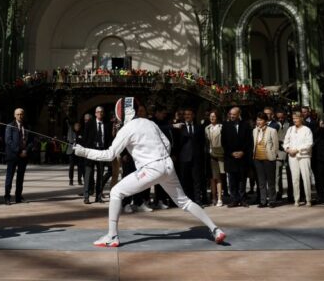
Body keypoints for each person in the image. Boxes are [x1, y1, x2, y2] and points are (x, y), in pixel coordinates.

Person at [72, 97, 225, 247]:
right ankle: (215, 229)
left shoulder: (127, 129)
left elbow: (109, 154)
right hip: (167, 166)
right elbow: (166, 143)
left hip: (152, 169)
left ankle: (112, 236)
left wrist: (83, 151)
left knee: (116, 192)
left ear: (123, 113)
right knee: (184, 201)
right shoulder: (149, 123)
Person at [222, 107, 251, 207]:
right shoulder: (225, 125)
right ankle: (234, 199)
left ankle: (243, 199)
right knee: (232, 179)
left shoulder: (246, 125)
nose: (232, 116)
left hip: (243, 157)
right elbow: (223, 142)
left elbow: (249, 141)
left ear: (239, 114)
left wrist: (242, 152)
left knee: (242, 179)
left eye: (234, 114)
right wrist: (231, 153)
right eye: (231, 114)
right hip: (231, 157)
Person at [284, 111, 313, 207]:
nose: (295, 120)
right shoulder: (290, 129)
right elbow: (285, 142)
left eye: (296, 118)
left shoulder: (306, 130)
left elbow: (309, 144)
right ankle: (296, 199)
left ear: (301, 118)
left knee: (306, 178)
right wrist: (288, 149)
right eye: (293, 119)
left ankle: (308, 199)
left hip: (304, 156)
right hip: (292, 157)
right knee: (295, 179)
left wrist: (297, 150)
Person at [4, 108, 33, 204]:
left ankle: (18, 196)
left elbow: (31, 141)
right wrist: (19, 151)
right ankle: (7, 197)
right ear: (14, 115)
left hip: (24, 156)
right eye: (18, 114)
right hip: (13, 155)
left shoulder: (28, 126)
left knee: (20, 177)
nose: (20, 116)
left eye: (21, 114)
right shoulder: (10, 126)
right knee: (10, 177)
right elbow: (8, 141)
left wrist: (26, 150)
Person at [82, 106, 110, 204]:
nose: (100, 113)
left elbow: (108, 139)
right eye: (98, 112)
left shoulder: (106, 124)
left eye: (102, 112)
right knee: (88, 174)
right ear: (95, 113)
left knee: (100, 175)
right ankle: (86, 196)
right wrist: (86, 151)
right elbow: (84, 138)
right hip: (91, 151)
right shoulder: (89, 123)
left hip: (101, 151)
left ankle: (98, 197)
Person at [252, 112, 278, 208]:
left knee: (271, 181)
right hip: (257, 158)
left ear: (265, 121)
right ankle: (263, 201)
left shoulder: (272, 130)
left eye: (261, 120)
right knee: (261, 181)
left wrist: (273, 156)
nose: (258, 122)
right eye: (257, 119)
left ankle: (272, 200)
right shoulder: (254, 130)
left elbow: (276, 146)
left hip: (269, 159)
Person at [205, 110, 224, 207]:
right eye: (211, 116)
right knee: (212, 178)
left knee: (219, 178)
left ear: (217, 117)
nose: (212, 118)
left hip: (220, 154)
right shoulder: (207, 128)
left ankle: (220, 198)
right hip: (210, 154)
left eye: (214, 116)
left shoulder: (221, 127)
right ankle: (213, 198)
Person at [67, 121, 84, 186]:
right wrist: (76, 140)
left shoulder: (81, 132)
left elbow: (82, 140)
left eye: (78, 126)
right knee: (71, 166)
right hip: (71, 151)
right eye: (76, 126)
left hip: (79, 151)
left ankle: (79, 180)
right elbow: (70, 139)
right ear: (74, 127)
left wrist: (77, 141)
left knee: (80, 166)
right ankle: (71, 180)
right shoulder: (71, 131)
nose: (77, 127)